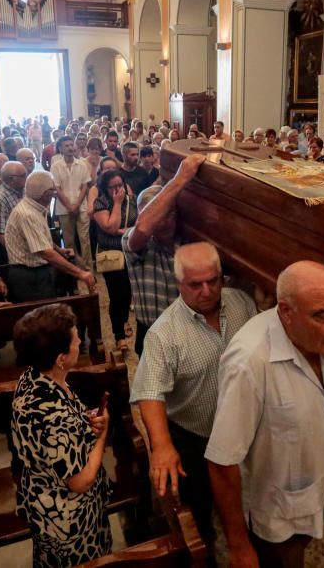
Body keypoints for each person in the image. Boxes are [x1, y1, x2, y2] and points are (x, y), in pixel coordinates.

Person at [206, 262, 324, 567]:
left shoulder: (322, 339)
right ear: (286, 312)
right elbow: (221, 461)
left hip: (316, 499)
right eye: (323, 314)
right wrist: (239, 546)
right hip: (277, 518)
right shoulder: (250, 362)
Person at [130, 243, 257, 547]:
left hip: (244, 428)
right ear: (178, 284)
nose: (207, 291)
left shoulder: (241, 304)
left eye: (213, 281)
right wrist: (161, 446)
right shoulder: (164, 334)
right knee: (198, 514)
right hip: (195, 437)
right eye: (195, 284)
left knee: (250, 498)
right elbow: (150, 392)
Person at [11, 303, 112, 567]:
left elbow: (55, 440)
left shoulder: (33, 377)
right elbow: (81, 481)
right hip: (69, 520)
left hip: (44, 503)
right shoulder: (54, 414)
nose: (80, 340)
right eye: (76, 339)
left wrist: (83, 423)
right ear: (61, 358)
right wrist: (102, 435)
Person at [122, 155, 206, 355]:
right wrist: (179, 179)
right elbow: (143, 227)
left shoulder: (189, 241)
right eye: (158, 216)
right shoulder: (132, 241)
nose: (163, 222)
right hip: (152, 332)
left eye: (169, 214)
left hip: (189, 332)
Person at [4, 171, 95, 302]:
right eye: (53, 190)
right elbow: (46, 253)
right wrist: (80, 273)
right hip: (28, 275)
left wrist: (58, 249)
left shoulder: (36, 207)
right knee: (40, 317)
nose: (55, 193)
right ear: (45, 194)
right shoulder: (27, 214)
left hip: (38, 271)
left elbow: (40, 238)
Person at [92, 169, 138, 349]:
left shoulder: (133, 201)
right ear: (105, 188)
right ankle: (119, 335)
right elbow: (110, 227)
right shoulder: (100, 203)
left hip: (130, 254)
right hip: (111, 256)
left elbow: (140, 223)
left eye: (121, 185)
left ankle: (125, 321)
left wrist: (123, 231)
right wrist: (117, 204)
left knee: (127, 294)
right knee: (116, 296)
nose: (118, 189)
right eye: (113, 187)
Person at [52, 135, 93, 263]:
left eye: (71, 145)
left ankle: (87, 269)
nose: (70, 148)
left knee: (85, 240)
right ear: (60, 149)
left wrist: (76, 205)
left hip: (81, 206)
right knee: (69, 240)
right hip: (64, 208)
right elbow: (57, 189)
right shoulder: (56, 166)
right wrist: (69, 206)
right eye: (66, 146)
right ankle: (74, 269)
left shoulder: (82, 164)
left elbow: (84, 186)